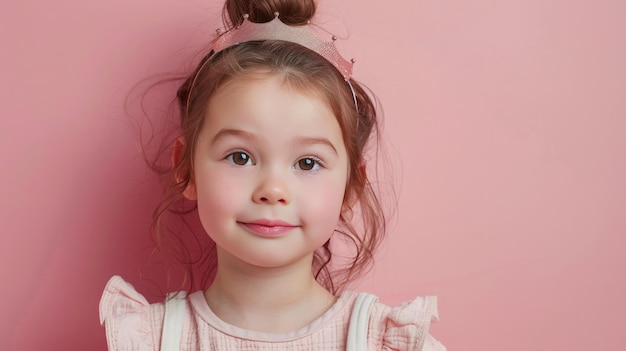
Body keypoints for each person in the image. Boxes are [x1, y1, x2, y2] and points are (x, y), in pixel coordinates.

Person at [99, 0, 445, 349]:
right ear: (186, 169)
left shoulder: (386, 341)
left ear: (351, 186)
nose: (272, 190)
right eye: (240, 156)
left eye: (307, 163)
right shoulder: (148, 340)